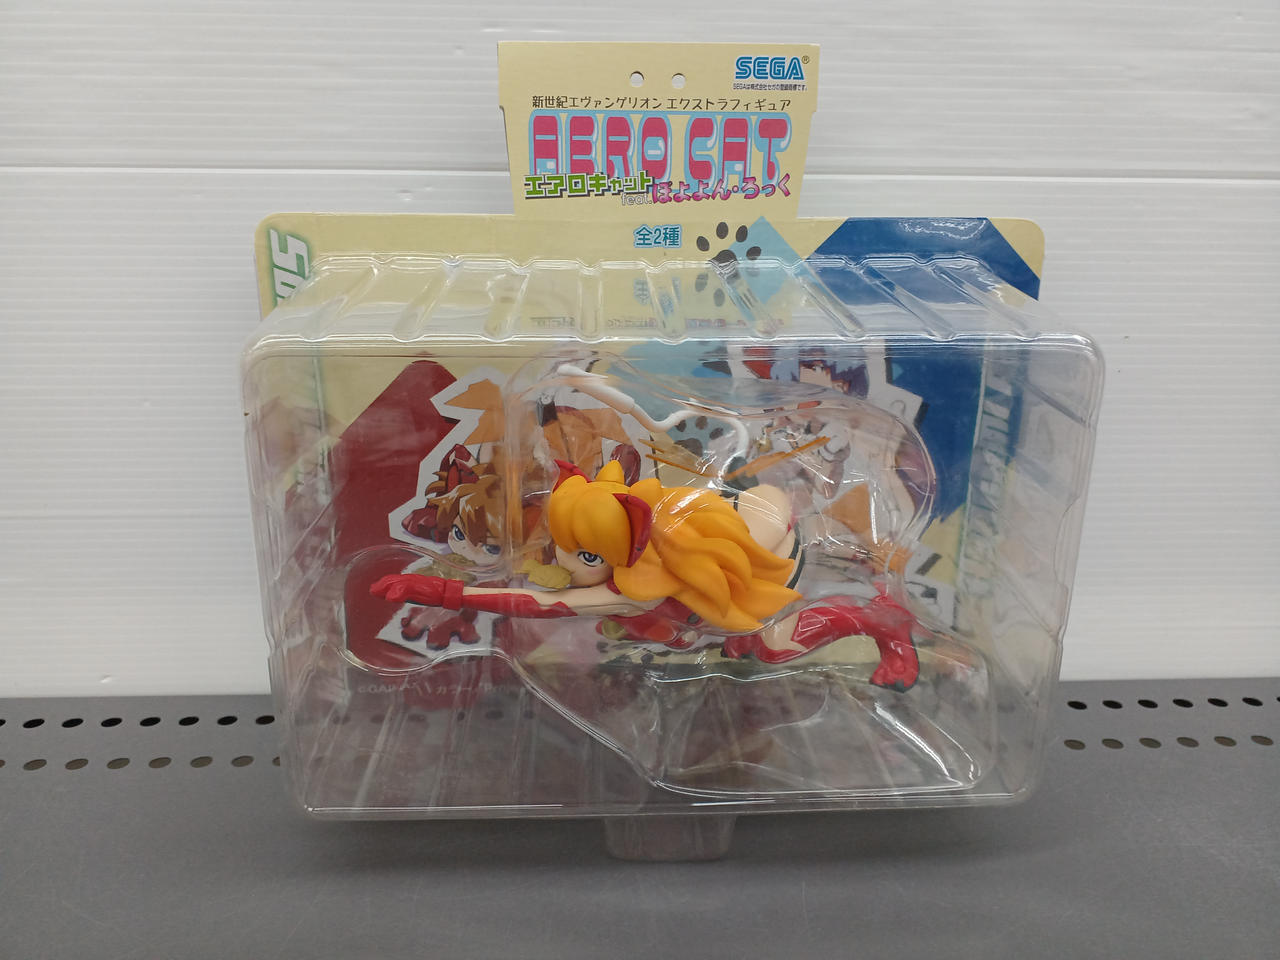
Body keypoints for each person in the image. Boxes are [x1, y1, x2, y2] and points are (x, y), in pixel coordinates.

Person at [372, 459, 920, 690]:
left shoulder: (631, 591)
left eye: (585, 557)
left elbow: (537, 605)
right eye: (565, 549)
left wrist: (443, 593)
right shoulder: (643, 542)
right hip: (746, 536)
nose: (565, 564)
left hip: (769, 574)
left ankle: (883, 620)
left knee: (771, 646)